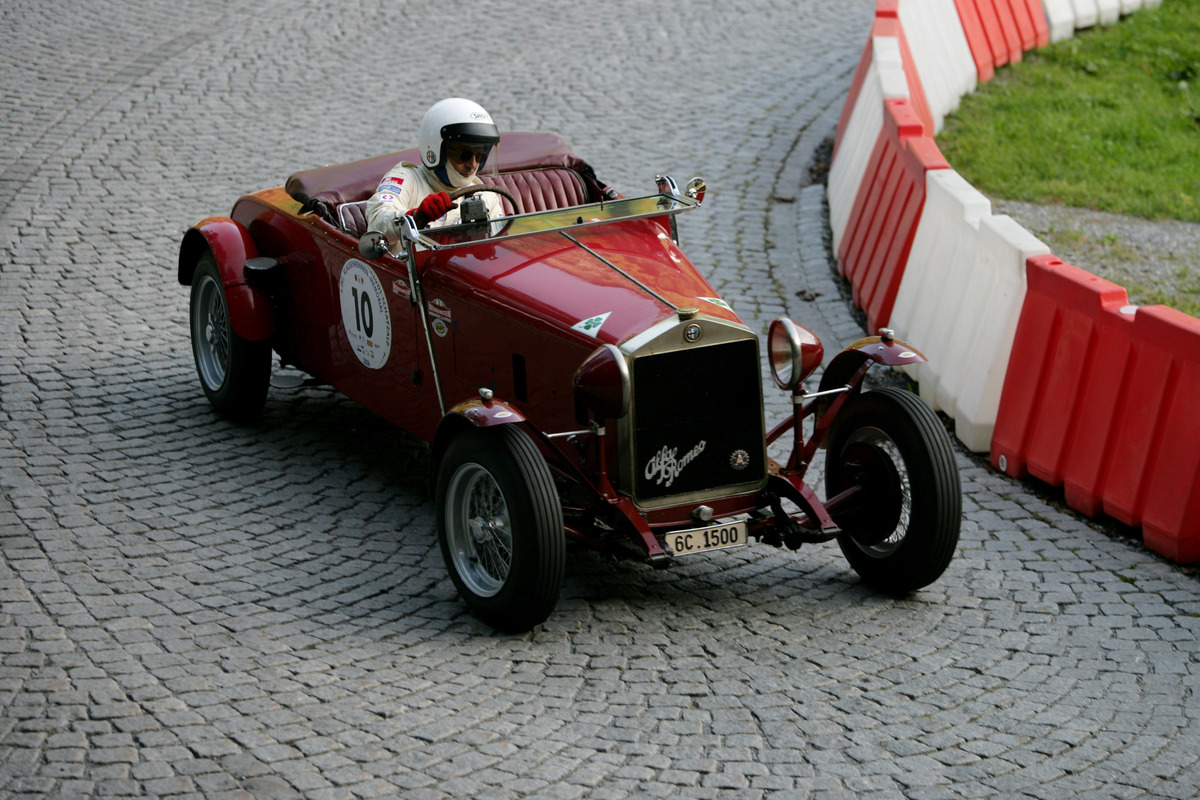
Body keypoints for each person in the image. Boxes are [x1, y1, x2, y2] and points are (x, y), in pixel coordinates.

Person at [366, 98, 504, 240]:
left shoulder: (484, 194)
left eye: (480, 156)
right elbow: (377, 223)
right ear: (436, 150)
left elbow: (502, 240)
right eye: (464, 155)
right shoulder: (404, 179)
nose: (473, 165)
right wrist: (417, 216)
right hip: (409, 262)